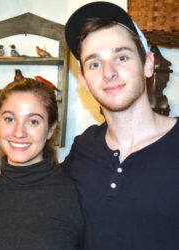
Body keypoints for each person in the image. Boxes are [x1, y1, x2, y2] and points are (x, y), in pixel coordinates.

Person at [62, 2, 179, 250]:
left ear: (147, 64)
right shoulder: (83, 148)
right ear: (83, 80)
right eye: (94, 63)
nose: (109, 72)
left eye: (121, 57)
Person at [0, 78, 84, 250]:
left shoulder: (77, 194)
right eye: (9, 119)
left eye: (33, 121)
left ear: (51, 129)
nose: (19, 133)